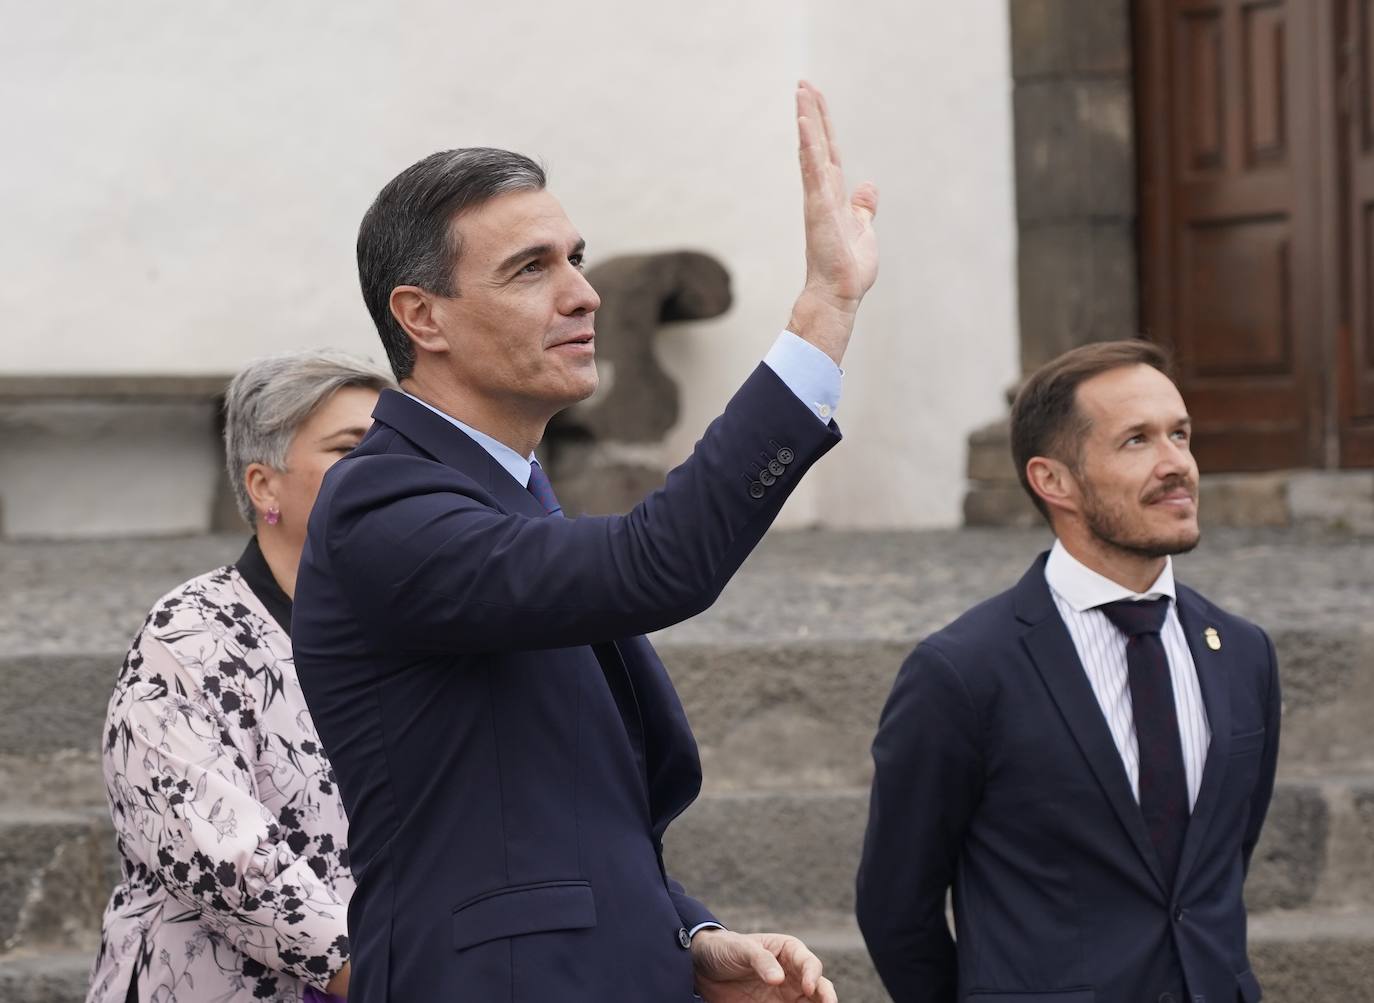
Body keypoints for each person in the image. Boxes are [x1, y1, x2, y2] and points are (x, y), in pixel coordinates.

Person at [290, 82, 874, 1002]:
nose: (583, 293)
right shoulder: (384, 505)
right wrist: (822, 316)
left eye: (576, 257)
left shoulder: (505, 489)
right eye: (531, 269)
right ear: (422, 317)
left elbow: (557, 808)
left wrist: (688, 933)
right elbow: (659, 561)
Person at [856, 340, 1281, 1003]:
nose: (1178, 465)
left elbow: (1217, 867)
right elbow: (894, 908)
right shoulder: (963, 671)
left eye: (1180, 434)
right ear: (1052, 480)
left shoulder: (1244, 652)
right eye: (1137, 441)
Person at [88, 350, 393, 1003]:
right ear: (263, 486)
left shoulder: (411, 626)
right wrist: (388, 976)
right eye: (349, 447)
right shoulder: (188, 636)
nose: (388, 466)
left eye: (394, 444)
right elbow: (226, 858)